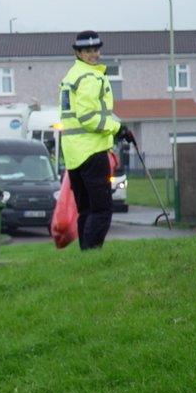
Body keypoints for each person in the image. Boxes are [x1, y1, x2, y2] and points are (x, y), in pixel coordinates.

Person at [58, 31, 134, 250]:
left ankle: (86, 257)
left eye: (96, 50)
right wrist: (118, 127)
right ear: (79, 53)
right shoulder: (90, 77)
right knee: (101, 210)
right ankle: (92, 255)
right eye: (88, 51)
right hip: (92, 151)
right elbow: (88, 117)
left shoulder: (72, 75)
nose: (94, 54)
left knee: (87, 210)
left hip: (74, 154)